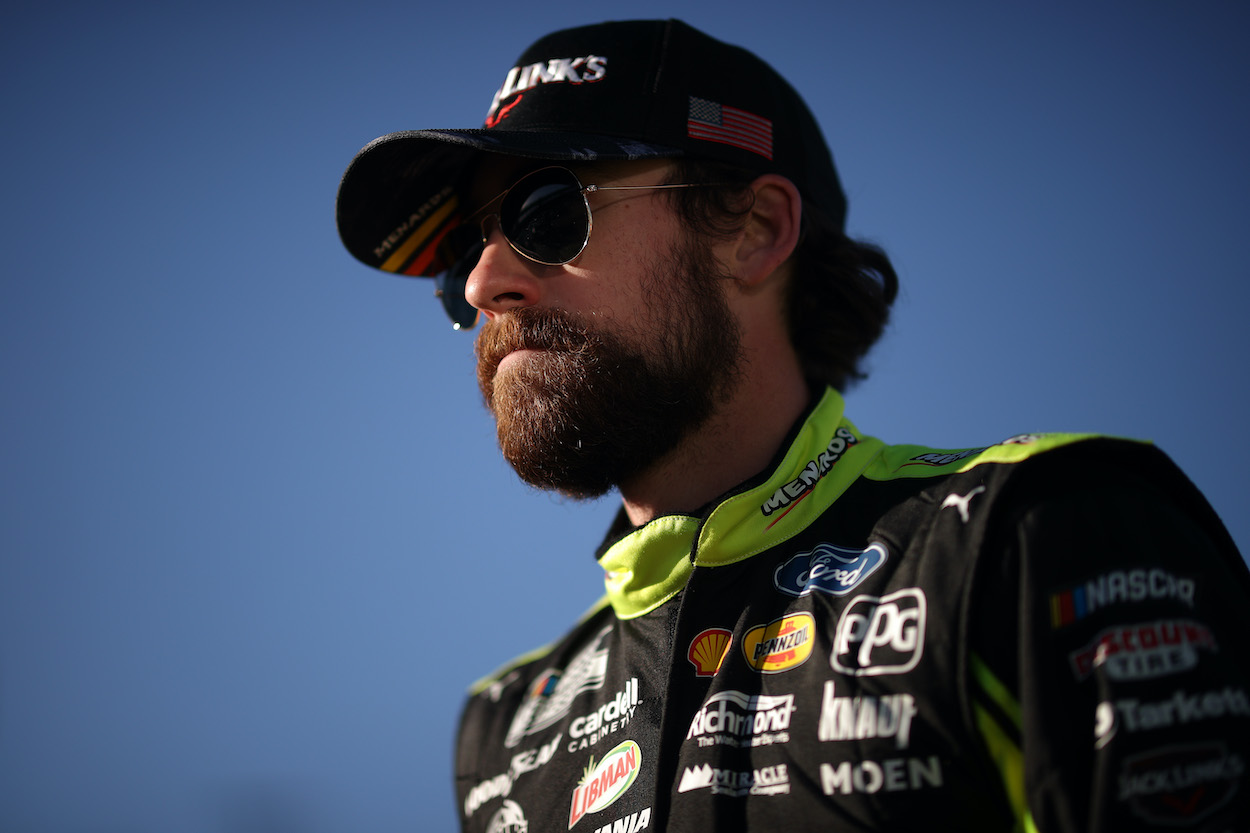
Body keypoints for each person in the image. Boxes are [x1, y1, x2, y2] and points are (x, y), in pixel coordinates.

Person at [335, 19, 1250, 833]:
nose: (490, 282)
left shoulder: (1034, 531)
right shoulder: (504, 730)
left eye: (546, 212)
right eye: (466, 254)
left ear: (756, 229)